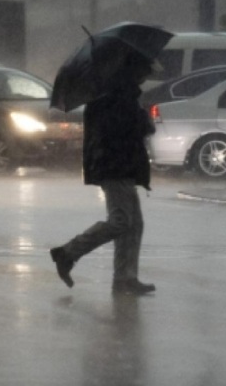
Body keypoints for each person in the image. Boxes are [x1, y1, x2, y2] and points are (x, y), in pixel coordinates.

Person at [50, 52, 158, 296]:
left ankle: (125, 278)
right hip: (115, 166)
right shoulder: (116, 97)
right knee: (121, 221)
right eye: (144, 71)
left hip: (120, 165)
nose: (146, 76)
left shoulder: (118, 94)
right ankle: (68, 253)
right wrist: (143, 120)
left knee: (133, 224)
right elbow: (126, 130)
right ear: (133, 71)